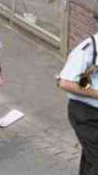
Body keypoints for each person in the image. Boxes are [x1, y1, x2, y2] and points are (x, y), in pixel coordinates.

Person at [58, 9, 98, 175]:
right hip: (84, 113)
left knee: (91, 158)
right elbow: (65, 82)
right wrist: (95, 93)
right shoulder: (90, 48)